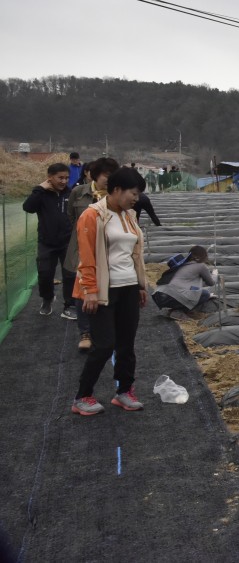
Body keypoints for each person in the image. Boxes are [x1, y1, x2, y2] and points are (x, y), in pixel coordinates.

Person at [71, 167, 148, 416]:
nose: (136, 199)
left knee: (126, 343)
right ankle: (82, 396)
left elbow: (135, 255)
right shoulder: (93, 215)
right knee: (104, 345)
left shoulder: (130, 216)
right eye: (133, 193)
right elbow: (85, 257)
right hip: (104, 289)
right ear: (117, 190)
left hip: (128, 287)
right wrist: (90, 291)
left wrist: (140, 286)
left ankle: (124, 391)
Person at [65, 157, 120, 351]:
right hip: (83, 246)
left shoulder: (116, 196)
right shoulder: (79, 193)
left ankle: (106, 327)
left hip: (110, 248)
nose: (109, 179)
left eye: (112, 175)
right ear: (95, 175)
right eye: (106, 175)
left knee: (108, 284)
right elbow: (71, 216)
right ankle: (85, 332)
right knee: (83, 288)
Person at [22, 163, 75, 317]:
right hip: (46, 242)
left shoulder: (70, 193)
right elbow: (28, 207)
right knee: (45, 273)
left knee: (70, 274)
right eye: (60, 178)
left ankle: (69, 304)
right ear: (50, 178)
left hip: (67, 241)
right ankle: (47, 298)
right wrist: (39, 188)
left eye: (66, 178)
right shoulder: (41, 194)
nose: (64, 181)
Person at [152, 246, 218, 319]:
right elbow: (211, 283)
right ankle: (178, 311)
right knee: (205, 294)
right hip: (172, 296)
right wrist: (215, 274)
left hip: (159, 295)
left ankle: (175, 310)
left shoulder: (183, 264)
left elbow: (192, 285)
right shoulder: (201, 266)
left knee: (200, 293)